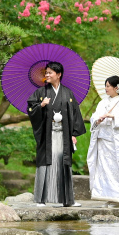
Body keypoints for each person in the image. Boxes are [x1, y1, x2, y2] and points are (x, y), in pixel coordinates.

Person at [27, 61, 87, 207]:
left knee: (63, 163)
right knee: (46, 163)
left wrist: (73, 134)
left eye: (50, 72)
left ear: (58, 75)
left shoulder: (68, 93)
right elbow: (30, 108)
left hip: (64, 136)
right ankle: (41, 199)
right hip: (47, 135)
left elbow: (75, 114)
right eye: (46, 73)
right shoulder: (41, 93)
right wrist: (40, 105)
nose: (47, 75)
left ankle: (68, 200)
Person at [87, 75, 119, 206]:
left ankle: (117, 198)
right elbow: (94, 118)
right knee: (103, 170)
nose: (106, 88)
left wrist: (113, 116)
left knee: (115, 169)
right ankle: (106, 196)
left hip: (114, 142)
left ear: (116, 87)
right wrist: (98, 120)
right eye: (105, 86)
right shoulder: (102, 102)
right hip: (102, 139)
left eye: (108, 86)